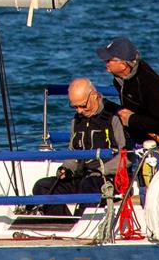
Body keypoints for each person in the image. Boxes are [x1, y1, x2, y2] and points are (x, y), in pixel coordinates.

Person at [31, 78, 126, 216]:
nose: (79, 111)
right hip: (82, 176)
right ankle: (62, 222)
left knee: (88, 185)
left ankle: (80, 222)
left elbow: (127, 156)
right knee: (43, 186)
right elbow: (73, 152)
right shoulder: (76, 121)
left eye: (83, 106)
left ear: (94, 96)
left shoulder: (115, 117)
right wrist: (66, 169)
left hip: (107, 179)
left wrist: (101, 170)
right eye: (75, 107)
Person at [96, 36, 159, 145]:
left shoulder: (150, 85)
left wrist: (131, 119)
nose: (105, 62)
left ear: (123, 65)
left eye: (109, 60)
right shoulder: (119, 79)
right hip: (140, 136)